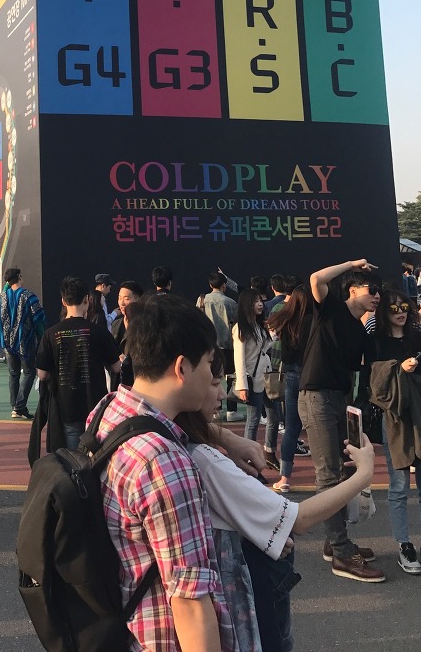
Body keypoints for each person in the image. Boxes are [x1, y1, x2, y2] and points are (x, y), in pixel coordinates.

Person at [91, 293, 266, 652]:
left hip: (125, 623)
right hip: (163, 637)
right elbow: (190, 602)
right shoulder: (164, 462)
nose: (213, 377)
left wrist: (225, 438)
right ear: (182, 367)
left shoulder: (109, 412)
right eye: (209, 364)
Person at [177, 346, 376, 652]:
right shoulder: (208, 463)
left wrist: (223, 435)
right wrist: (364, 474)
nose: (223, 393)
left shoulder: (176, 442)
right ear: (182, 373)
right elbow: (299, 519)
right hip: (254, 598)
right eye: (214, 381)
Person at [298, 258, 385, 582]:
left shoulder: (361, 331)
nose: (377, 296)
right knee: (328, 474)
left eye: (379, 292)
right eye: (371, 290)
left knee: (343, 468)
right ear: (353, 290)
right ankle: (341, 551)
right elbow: (316, 277)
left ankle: (334, 541)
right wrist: (351, 264)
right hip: (316, 397)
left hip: (339, 400)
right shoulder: (331, 308)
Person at [363, 290, 421, 574]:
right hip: (394, 418)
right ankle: (404, 544)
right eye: (394, 308)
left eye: (404, 307)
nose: (400, 312)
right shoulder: (376, 341)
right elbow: (373, 382)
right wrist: (398, 369)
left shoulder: (420, 338)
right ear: (384, 312)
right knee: (399, 485)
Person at [35, 276, 121, 450]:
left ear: (63, 301)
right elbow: (116, 366)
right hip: (96, 405)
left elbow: (42, 374)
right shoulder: (99, 332)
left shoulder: (51, 334)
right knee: (97, 454)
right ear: (87, 300)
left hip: (66, 405)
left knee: (73, 456)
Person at [268, 286, 314, 493]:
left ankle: (285, 477)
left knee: (291, 428)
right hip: (311, 376)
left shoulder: (286, 321)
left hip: (291, 376)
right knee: (318, 427)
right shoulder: (312, 321)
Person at [233, 288, 279, 471]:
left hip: (265, 378)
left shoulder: (258, 326)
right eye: (256, 301)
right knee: (253, 421)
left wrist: (273, 336)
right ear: (247, 304)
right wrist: (242, 385)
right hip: (253, 381)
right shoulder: (241, 328)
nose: (260, 304)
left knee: (274, 415)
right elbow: (239, 359)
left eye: (261, 301)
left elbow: (262, 350)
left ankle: (269, 452)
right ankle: (248, 460)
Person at [0, 267, 45, 420]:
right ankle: (20, 406)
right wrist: (42, 337)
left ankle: (14, 406)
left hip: (8, 342)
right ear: (20, 277)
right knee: (29, 372)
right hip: (25, 340)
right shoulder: (29, 296)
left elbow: (0, 318)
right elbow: (38, 319)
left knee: (13, 373)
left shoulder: (2, 297)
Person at [203, 271, 242, 423]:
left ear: (210, 285)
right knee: (231, 377)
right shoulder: (231, 302)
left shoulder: (203, 300)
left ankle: (215, 410)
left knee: (213, 378)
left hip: (210, 345)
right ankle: (232, 410)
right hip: (228, 345)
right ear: (224, 285)